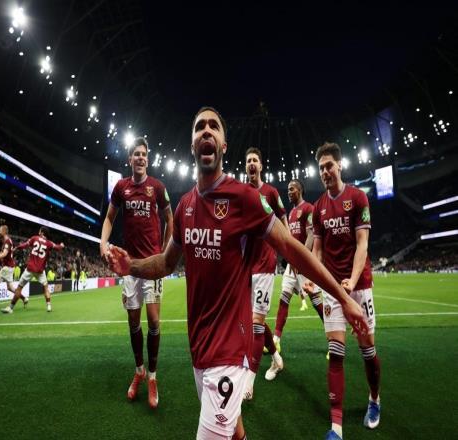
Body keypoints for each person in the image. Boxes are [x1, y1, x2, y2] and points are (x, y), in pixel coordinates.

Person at [105, 107, 368, 440]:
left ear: (223, 145)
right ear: (192, 144)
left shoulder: (244, 198)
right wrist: (130, 266)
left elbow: (291, 249)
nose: (206, 130)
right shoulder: (185, 206)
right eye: (200, 126)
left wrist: (343, 298)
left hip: (230, 351)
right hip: (199, 349)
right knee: (235, 432)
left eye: (214, 126)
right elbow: (166, 263)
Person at [312, 142, 381, 440]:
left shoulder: (358, 197)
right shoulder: (318, 207)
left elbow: (362, 244)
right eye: (321, 168)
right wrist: (313, 277)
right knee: (336, 353)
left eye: (329, 166)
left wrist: (352, 281)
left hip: (359, 285)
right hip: (333, 288)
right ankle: (336, 426)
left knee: (367, 351)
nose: (325, 172)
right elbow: (317, 249)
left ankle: (374, 399)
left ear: (340, 166)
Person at [100, 136, 173, 410]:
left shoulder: (158, 187)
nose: (140, 158)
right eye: (136, 154)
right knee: (133, 321)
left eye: (144, 154)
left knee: (153, 321)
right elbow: (109, 218)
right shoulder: (121, 187)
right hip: (129, 266)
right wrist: (103, 243)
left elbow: (170, 219)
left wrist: (164, 253)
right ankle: (139, 371)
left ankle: (152, 377)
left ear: (147, 159)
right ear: (129, 159)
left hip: (152, 264)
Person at [243, 147, 286, 398]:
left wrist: (284, 249)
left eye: (255, 160)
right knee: (253, 320)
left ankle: (249, 381)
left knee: (256, 323)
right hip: (246, 266)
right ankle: (276, 358)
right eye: (248, 160)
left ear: (260, 166)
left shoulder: (270, 192)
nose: (251, 163)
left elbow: (283, 220)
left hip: (265, 265)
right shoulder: (242, 193)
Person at [272, 179, 325, 354]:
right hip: (292, 263)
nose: (289, 192)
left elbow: (311, 235)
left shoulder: (308, 208)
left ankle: (334, 339)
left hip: (304, 263)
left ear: (300, 190)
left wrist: (301, 257)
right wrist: (290, 257)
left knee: (316, 302)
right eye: (288, 189)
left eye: (292, 189)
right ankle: (276, 340)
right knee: (283, 298)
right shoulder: (292, 213)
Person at [1, 226, 64, 313]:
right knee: (45, 287)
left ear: (42, 232)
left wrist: (17, 247)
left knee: (19, 288)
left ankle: (10, 308)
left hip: (30, 269)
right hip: (40, 271)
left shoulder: (34, 238)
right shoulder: (49, 243)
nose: (38, 231)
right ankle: (49, 306)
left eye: (40, 230)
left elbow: (25, 245)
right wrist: (61, 245)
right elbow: (58, 247)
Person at [0, 225, 16, 314]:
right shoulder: (8, 240)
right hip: (10, 266)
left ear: (4, 231)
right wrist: (0, 254)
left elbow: (5, 254)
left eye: (0, 230)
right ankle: (23, 298)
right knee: (10, 288)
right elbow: (6, 253)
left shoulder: (7, 241)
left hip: (7, 267)